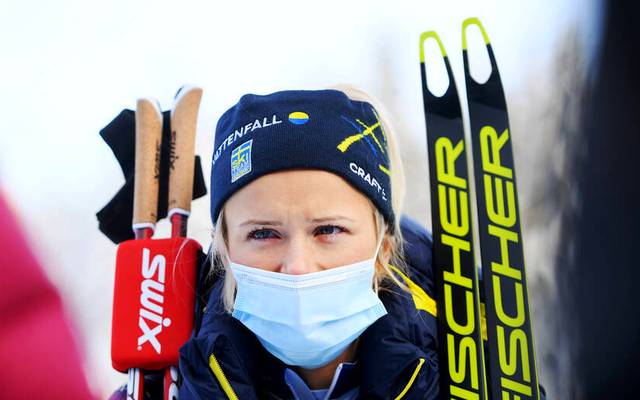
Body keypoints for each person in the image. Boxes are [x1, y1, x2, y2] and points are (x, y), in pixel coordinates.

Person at [178, 86, 440, 399]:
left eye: (328, 230)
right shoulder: (177, 382)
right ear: (225, 250)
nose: (298, 267)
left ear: (382, 246)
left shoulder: (463, 371)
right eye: (263, 233)